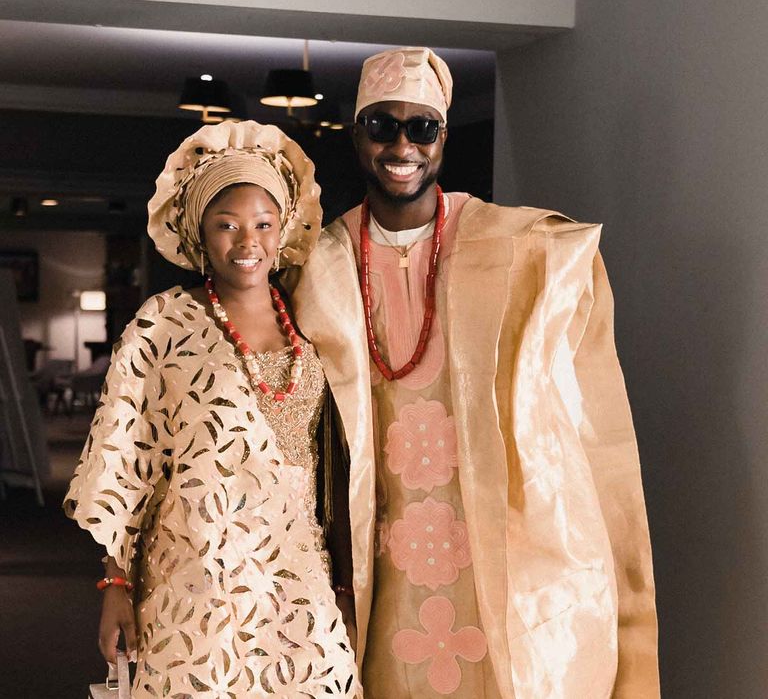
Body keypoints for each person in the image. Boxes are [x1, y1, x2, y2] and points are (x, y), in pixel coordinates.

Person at [284, 47, 660, 697]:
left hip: (498, 546)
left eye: (421, 127)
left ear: (443, 138)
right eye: (382, 124)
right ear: (357, 134)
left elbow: (586, 416)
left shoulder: (523, 250)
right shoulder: (316, 265)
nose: (402, 144)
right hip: (382, 551)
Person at [64, 121, 361, 698]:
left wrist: (346, 588)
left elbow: (339, 462)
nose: (246, 242)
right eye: (226, 225)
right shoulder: (164, 325)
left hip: (296, 571)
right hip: (196, 571)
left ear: (283, 232)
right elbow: (125, 463)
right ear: (199, 234)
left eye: (262, 224)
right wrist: (115, 585)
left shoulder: (313, 318)